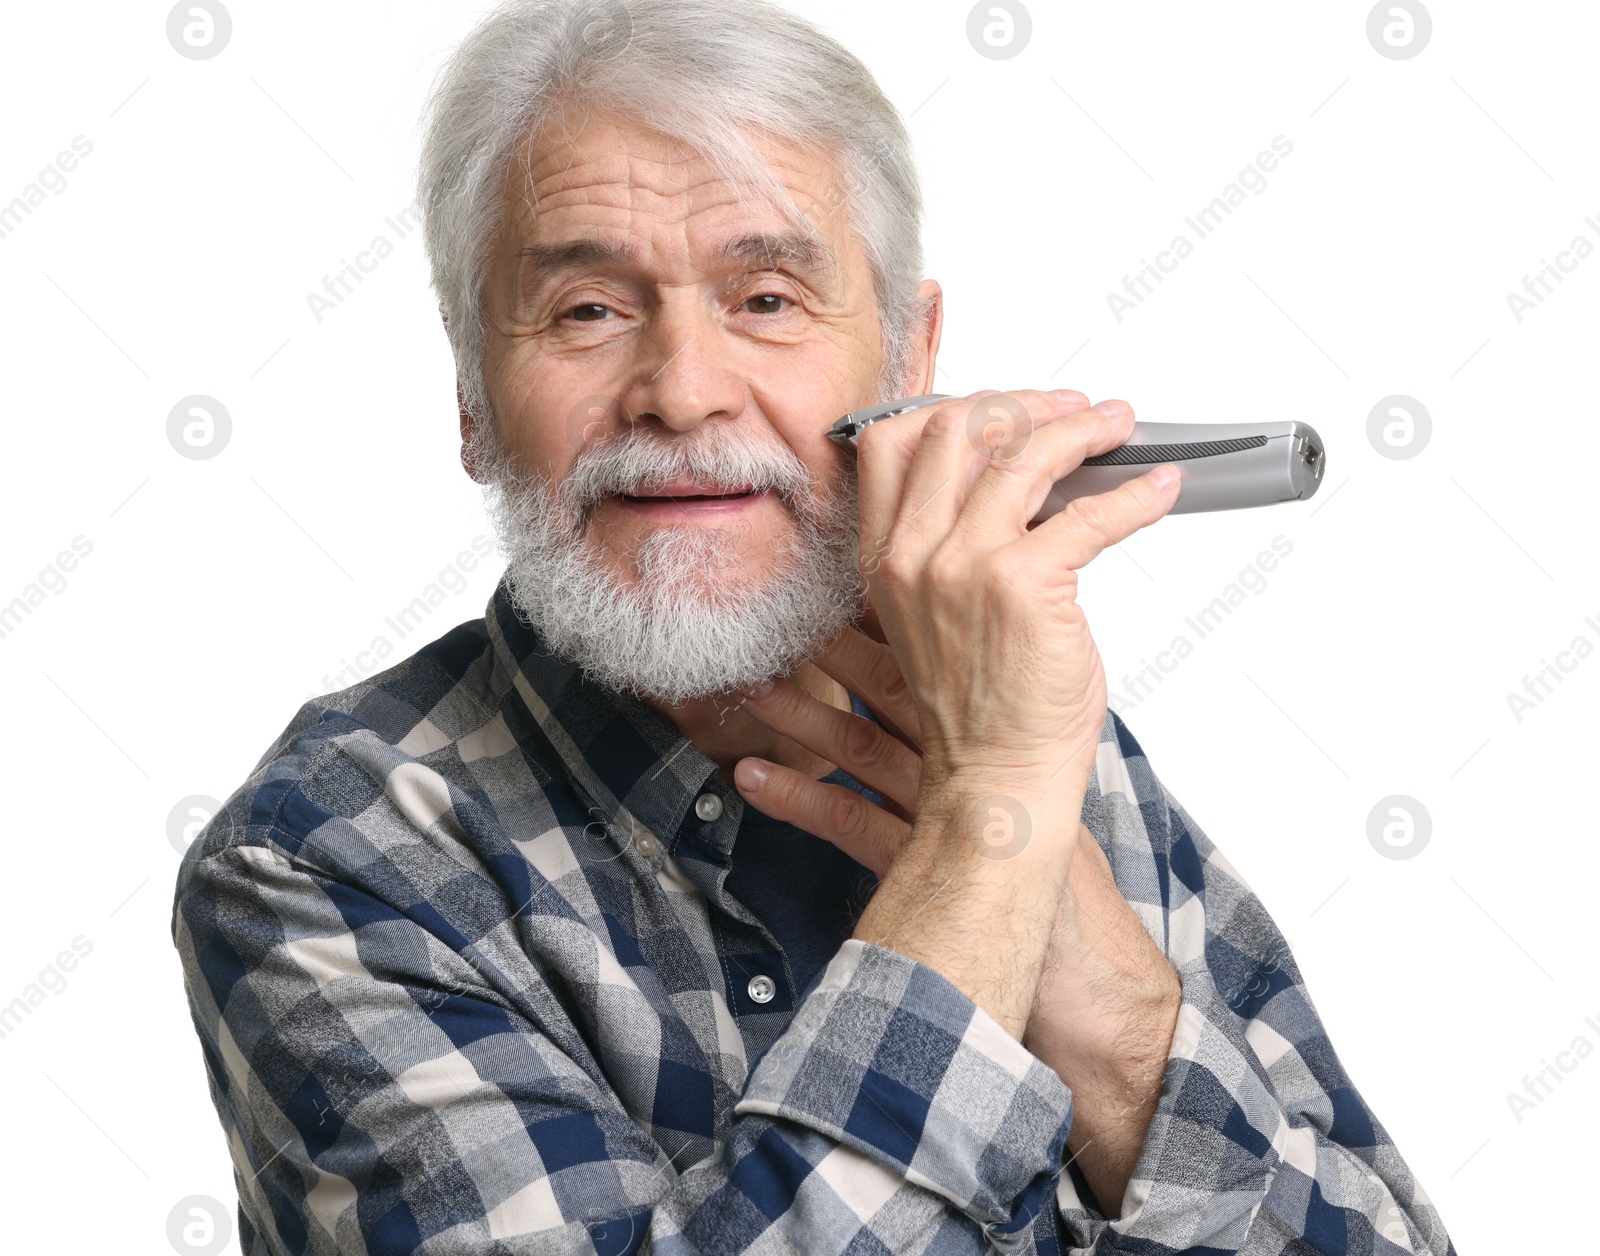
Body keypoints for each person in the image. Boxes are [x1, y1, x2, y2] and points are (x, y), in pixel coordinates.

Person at [172, 1, 1455, 1251]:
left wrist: (1108, 1015)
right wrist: (985, 833)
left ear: (906, 363)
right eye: (587, 311)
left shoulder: (1039, 734)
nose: (681, 392)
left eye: (768, 298)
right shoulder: (323, 858)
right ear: (469, 395)